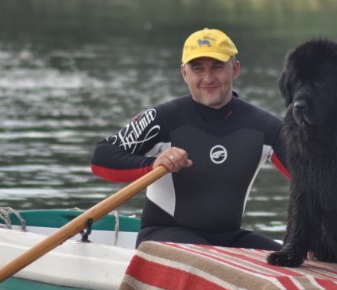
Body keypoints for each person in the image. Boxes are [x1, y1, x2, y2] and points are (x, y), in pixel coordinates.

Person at [91, 28, 289, 250]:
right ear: (185, 73)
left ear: (235, 69)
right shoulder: (162, 118)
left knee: (291, 262)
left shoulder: (265, 127)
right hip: (162, 236)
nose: (208, 78)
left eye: (217, 67)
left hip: (228, 237)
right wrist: (152, 165)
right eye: (198, 69)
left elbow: (310, 174)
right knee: (212, 259)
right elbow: (102, 158)